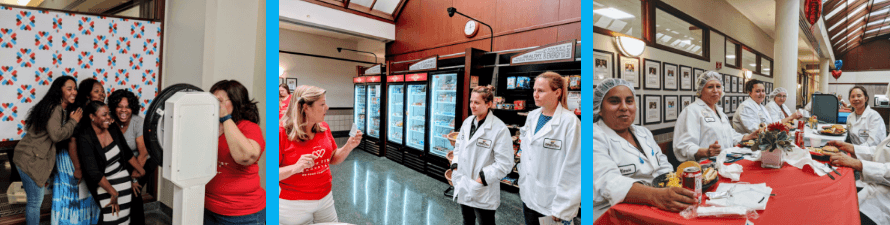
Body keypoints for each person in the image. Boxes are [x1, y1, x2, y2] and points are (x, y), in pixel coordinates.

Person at [591, 79, 694, 220]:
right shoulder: (593, 136)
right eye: (614, 101)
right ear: (599, 109)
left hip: (657, 205)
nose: (624, 107)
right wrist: (655, 195)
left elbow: (663, 165)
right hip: (613, 214)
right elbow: (608, 182)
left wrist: (672, 187)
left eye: (629, 101)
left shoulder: (643, 133)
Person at [279, 85, 363, 224]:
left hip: (325, 199)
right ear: (305, 107)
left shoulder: (323, 127)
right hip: (293, 205)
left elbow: (333, 158)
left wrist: (349, 146)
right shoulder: (281, 133)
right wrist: (296, 167)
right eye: (322, 104)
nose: (327, 107)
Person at [12, 76, 82, 225]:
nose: (74, 92)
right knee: (35, 202)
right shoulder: (54, 107)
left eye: (75, 88)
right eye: (69, 88)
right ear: (59, 90)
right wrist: (73, 121)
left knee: (34, 201)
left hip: (28, 157)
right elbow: (56, 135)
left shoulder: (58, 108)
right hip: (29, 159)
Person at [518, 72, 581, 225]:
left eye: (541, 91)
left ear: (557, 93)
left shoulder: (570, 122)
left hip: (552, 203)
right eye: (534, 90)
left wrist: (563, 207)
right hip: (528, 194)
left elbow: (575, 168)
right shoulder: (532, 116)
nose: (535, 95)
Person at [203, 80, 266, 224]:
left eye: (219, 101)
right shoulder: (210, 127)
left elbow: (246, 157)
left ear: (236, 102)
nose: (215, 104)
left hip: (242, 213)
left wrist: (225, 117)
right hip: (208, 207)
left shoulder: (249, 128)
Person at [451, 85, 514, 225]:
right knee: (467, 220)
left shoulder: (499, 129)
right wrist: (455, 167)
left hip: (483, 188)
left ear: (489, 104)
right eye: (471, 102)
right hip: (463, 181)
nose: (472, 106)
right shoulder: (467, 122)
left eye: (477, 102)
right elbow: (458, 147)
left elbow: (505, 163)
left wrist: (481, 180)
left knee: (485, 222)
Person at [76, 101, 144, 224]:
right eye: (104, 115)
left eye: (108, 114)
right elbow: (93, 172)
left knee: (124, 219)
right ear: (92, 116)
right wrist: (113, 192)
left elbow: (126, 152)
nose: (108, 117)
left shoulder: (112, 128)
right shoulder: (85, 137)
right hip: (105, 185)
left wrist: (140, 171)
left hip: (124, 182)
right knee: (111, 219)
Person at [674, 71, 759, 162]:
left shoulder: (719, 112)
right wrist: (706, 152)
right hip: (705, 165)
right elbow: (683, 146)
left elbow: (730, 135)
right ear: (700, 90)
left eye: (718, 86)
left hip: (726, 161)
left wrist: (749, 136)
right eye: (710, 87)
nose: (715, 90)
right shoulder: (691, 111)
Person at [55, 78, 105, 225]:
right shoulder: (80, 111)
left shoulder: (97, 111)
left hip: (86, 159)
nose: (102, 94)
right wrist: (77, 168)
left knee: (88, 198)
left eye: (102, 91)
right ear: (87, 95)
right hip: (71, 160)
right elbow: (72, 140)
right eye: (97, 91)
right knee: (72, 199)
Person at [108, 89, 155, 225]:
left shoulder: (137, 122)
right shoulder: (109, 121)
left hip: (143, 161)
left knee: (134, 192)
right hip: (123, 161)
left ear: (132, 107)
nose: (124, 110)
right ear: (113, 107)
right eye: (120, 106)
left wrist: (134, 178)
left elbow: (143, 153)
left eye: (127, 106)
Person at [824, 137, 890, 225]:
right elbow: (881, 152)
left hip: (884, 204)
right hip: (872, 190)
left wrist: (857, 164)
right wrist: (849, 147)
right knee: (832, 201)